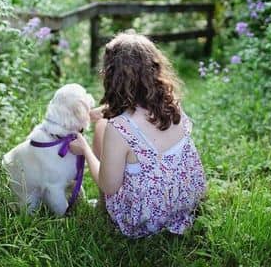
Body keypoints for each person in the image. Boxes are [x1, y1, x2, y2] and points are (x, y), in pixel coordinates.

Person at [69, 32, 206, 238]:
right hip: (185, 201)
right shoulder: (172, 104)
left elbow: (109, 186)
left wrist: (85, 150)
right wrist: (107, 109)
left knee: (101, 127)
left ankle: (103, 206)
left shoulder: (119, 128)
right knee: (107, 124)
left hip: (145, 218)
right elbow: (140, 114)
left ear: (112, 76)